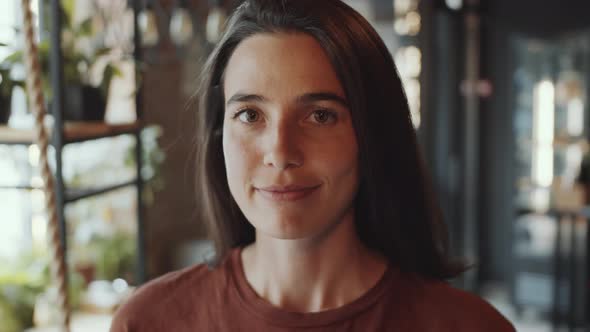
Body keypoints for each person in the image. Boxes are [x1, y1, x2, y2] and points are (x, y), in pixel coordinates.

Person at [111, 0, 515, 330]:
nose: (281, 151)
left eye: (320, 115)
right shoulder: (149, 322)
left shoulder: (470, 327)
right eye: (251, 115)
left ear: (372, 135)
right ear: (220, 135)